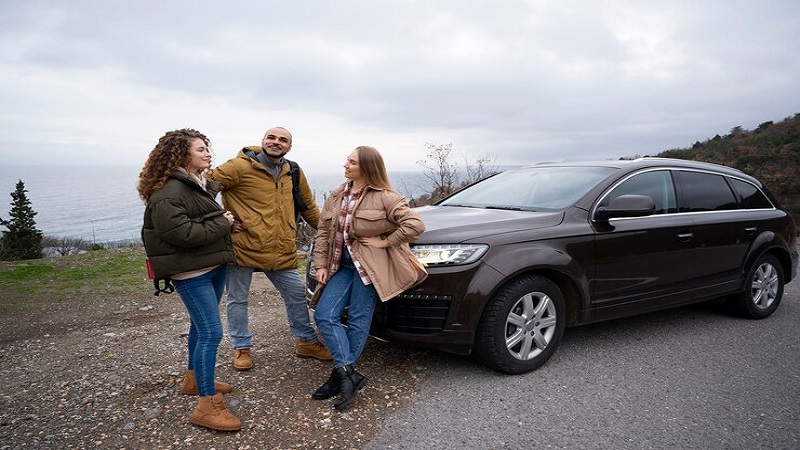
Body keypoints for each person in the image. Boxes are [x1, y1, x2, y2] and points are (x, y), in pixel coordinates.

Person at [138, 128, 241, 431]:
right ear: (181, 154)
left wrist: (222, 223)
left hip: (210, 263)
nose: (208, 153)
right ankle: (206, 406)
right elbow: (182, 235)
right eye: (200, 149)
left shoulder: (196, 183)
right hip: (191, 270)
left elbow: (199, 222)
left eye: (207, 148)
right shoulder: (168, 192)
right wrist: (223, 223)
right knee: (211, 333)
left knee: (200, 326)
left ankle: (194, 380)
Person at [206, 126, 331, 371]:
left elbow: (308, 208)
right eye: (271, 138)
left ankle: (306, 341)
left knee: (296, 293)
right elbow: (201, 190)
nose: (276, 142)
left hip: (279, 248)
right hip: (243, 246)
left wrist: (330, 233)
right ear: (262, 141)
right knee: (238, 300)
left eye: (282, 140)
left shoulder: (292, 171)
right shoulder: (238, 167)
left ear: (289, 146)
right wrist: (221, 219)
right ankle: (242, 347)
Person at [311, 146, 427, 409]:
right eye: (347, 160)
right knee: (324, 315)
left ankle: (338, 376)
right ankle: (348, 374)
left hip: (370, 268)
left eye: (352, 162)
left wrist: (385, 241)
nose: (346, 165)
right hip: (342, 267)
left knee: (358, 319)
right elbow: (322, 233)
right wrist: (320, 264)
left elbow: (415, 225)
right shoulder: (337, 194)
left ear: (367, 167)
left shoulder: (386, 197)